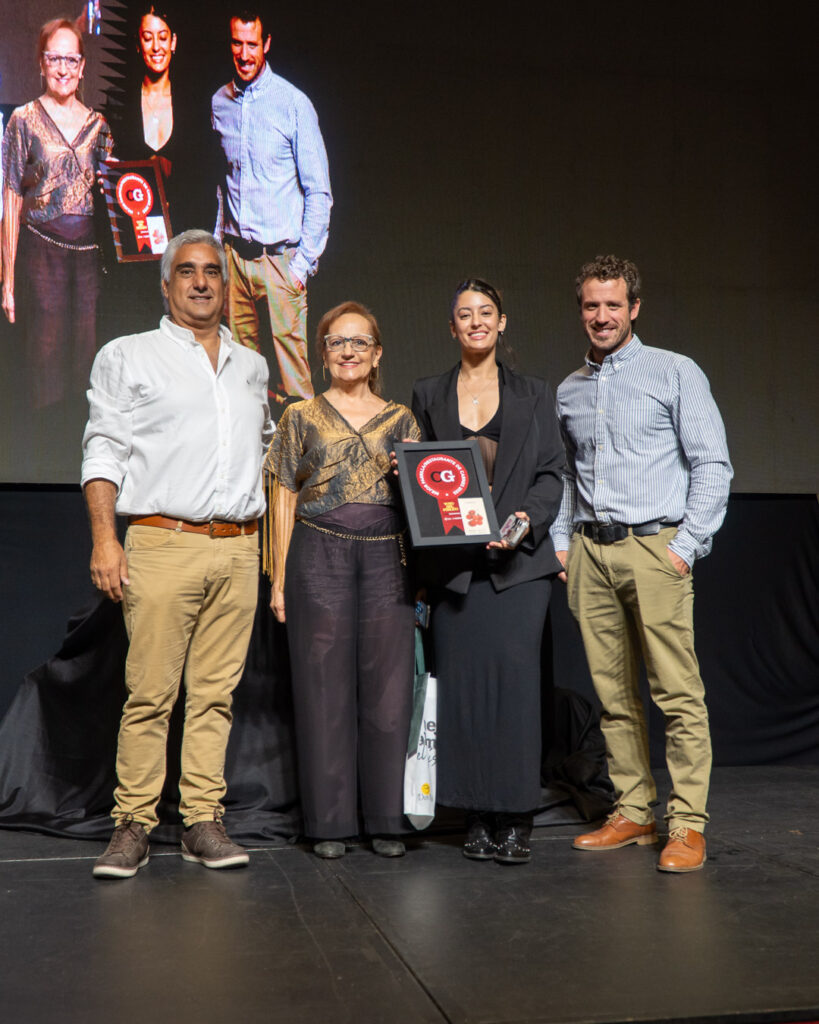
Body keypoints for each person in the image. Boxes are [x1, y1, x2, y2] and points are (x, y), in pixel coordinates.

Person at [82, 229, 274, 879]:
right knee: (150, 696)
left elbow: (267, 449)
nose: (200, 282)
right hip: (162, 542)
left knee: (215, 696)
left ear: (225, 284)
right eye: (186, 271)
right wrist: (105, 539)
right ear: (166, 285)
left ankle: (201, 822)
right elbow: (103, 449)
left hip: (238, 549)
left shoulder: (252, 366)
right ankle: (132, 825)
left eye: (211, 271)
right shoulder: (129, 355)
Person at [551, 254, 732, 873]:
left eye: (612, 304)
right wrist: (562, 541)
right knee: (613, 695)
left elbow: (712, 464)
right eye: (591, 305)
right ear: (581, 311)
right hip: (591, 552)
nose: (601, 316)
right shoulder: (569, 390)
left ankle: (686, 824)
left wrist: (686, 545)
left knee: (676, 693)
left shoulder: (675, 371)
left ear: (634, 308)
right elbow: (569, 474)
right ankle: (633, 810)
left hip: (656, 546)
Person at [411, 279, 565, 864]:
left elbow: (551, 474)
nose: (475, 322)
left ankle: (516, 815)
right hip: (455, 569)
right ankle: (474, 814)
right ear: (451, 327)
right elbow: (419, 476)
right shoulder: (428, 393)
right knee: (463, 694)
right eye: (464, 314)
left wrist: (525, 520)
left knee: (517, 692)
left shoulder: (534, 393)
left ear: (502, 322)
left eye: (486, 313)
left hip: (519, 569)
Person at [265, 301, 419, 858]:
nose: (348, 351)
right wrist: (278, 577)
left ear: (377, 355)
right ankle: (330, 824)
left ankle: (386, 819)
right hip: (317, 556)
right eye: (336, 341)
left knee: (388, 688)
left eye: (359, 342)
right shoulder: (300, 416)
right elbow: (283, 491)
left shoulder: (402, 420)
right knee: (322, 687)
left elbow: (425, 496)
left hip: (387, 559)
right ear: (322, 353)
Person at [211, 8, 332, 408]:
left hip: (281, 262)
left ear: (266, 44)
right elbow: (222, 183)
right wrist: (218, 251)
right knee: (241, 383)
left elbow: (319, 191)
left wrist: (302, 266)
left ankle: (303, 451)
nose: (244, 54)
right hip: (235, 262)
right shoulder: (220, 103)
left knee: (295, 390)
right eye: (237, 43)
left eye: (252, 44)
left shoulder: (293, 103)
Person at [1, 18, 113, 408]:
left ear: (82, 67)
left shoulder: (99, 125)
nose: (63, 69)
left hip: (87, 261)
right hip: (40, 257)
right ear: (41, 63)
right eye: (54, 59)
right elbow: (11, 195)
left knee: (85, 363)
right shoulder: (23, 119)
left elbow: (114, 194)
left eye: (71, 59)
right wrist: (7, 282)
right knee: (43, 364)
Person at [113, 5, 214, 234]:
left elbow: (206, 184)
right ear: (138, 44)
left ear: (173, 42)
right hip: (137, 238)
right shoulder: (121, 106)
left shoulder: (194, 105)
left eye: (163, 37)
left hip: (186, 239)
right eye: (148, 38)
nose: (156, 47)